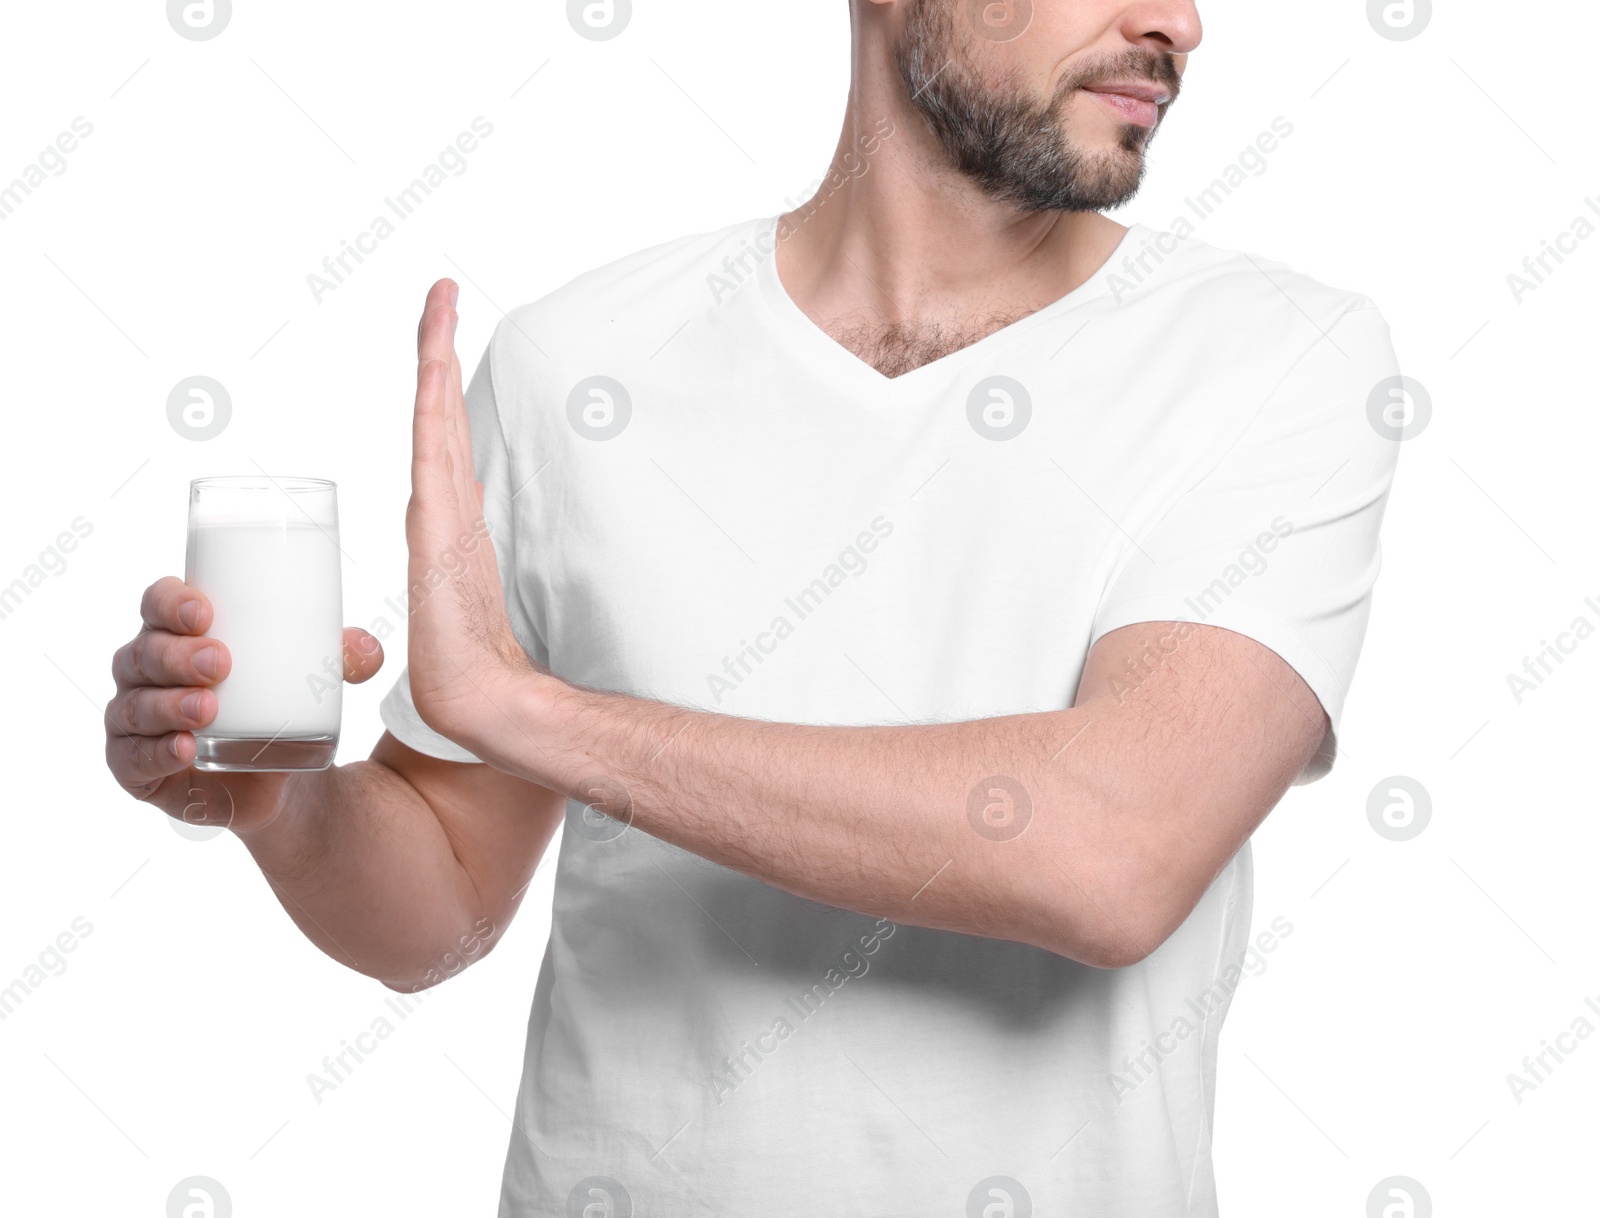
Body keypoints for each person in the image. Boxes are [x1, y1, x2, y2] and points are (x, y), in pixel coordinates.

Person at [104, 1, 1402, 1212]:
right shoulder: (583, 363)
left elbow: (1113, 852)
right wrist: (280, 799)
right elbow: (438, 908)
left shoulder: (1273, 357)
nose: (1181, 22)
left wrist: (528, 711)